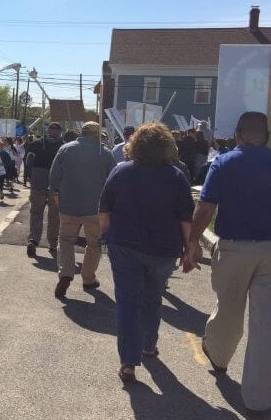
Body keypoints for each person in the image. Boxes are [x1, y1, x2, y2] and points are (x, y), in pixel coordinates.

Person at [185, 111, 271, 414]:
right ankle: (259, 398)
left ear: (238, 134)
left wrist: (192, 242)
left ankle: (219, 357)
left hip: (234, 247)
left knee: (229, 309)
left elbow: (205, 207)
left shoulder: (224, 162)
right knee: (265, 326)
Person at [98, 122, 194, 382]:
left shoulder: (121, 171)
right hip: (163, 249)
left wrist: (105, 236)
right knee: (153, 298)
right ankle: (148, 345)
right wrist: (189, 248)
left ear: (135, 145)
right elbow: (186, 217)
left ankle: (128, 362)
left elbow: (104, 209)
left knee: (127, 303)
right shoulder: (176, 176)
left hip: (125, 246)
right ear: (166, 147)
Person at [50, 121, 116, 298]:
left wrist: (56, 194)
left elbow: (54, 175)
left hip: (69, 204)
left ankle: (65, 273)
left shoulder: (65, 149)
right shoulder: (106, 154)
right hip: (96, 208)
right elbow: (113, 182)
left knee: (65, 240)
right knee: (94, 244)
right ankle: (88, 278)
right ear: (97, 135)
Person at [24, 122, 63, 257]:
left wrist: (29, 177)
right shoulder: (64, 147)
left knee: (37, 213)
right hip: (55, 186)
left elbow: (27, 162)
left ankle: (34, 240)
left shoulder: (35, 144)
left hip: (40, 183)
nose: (53, 132)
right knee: (54, 216)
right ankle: (52, 244)